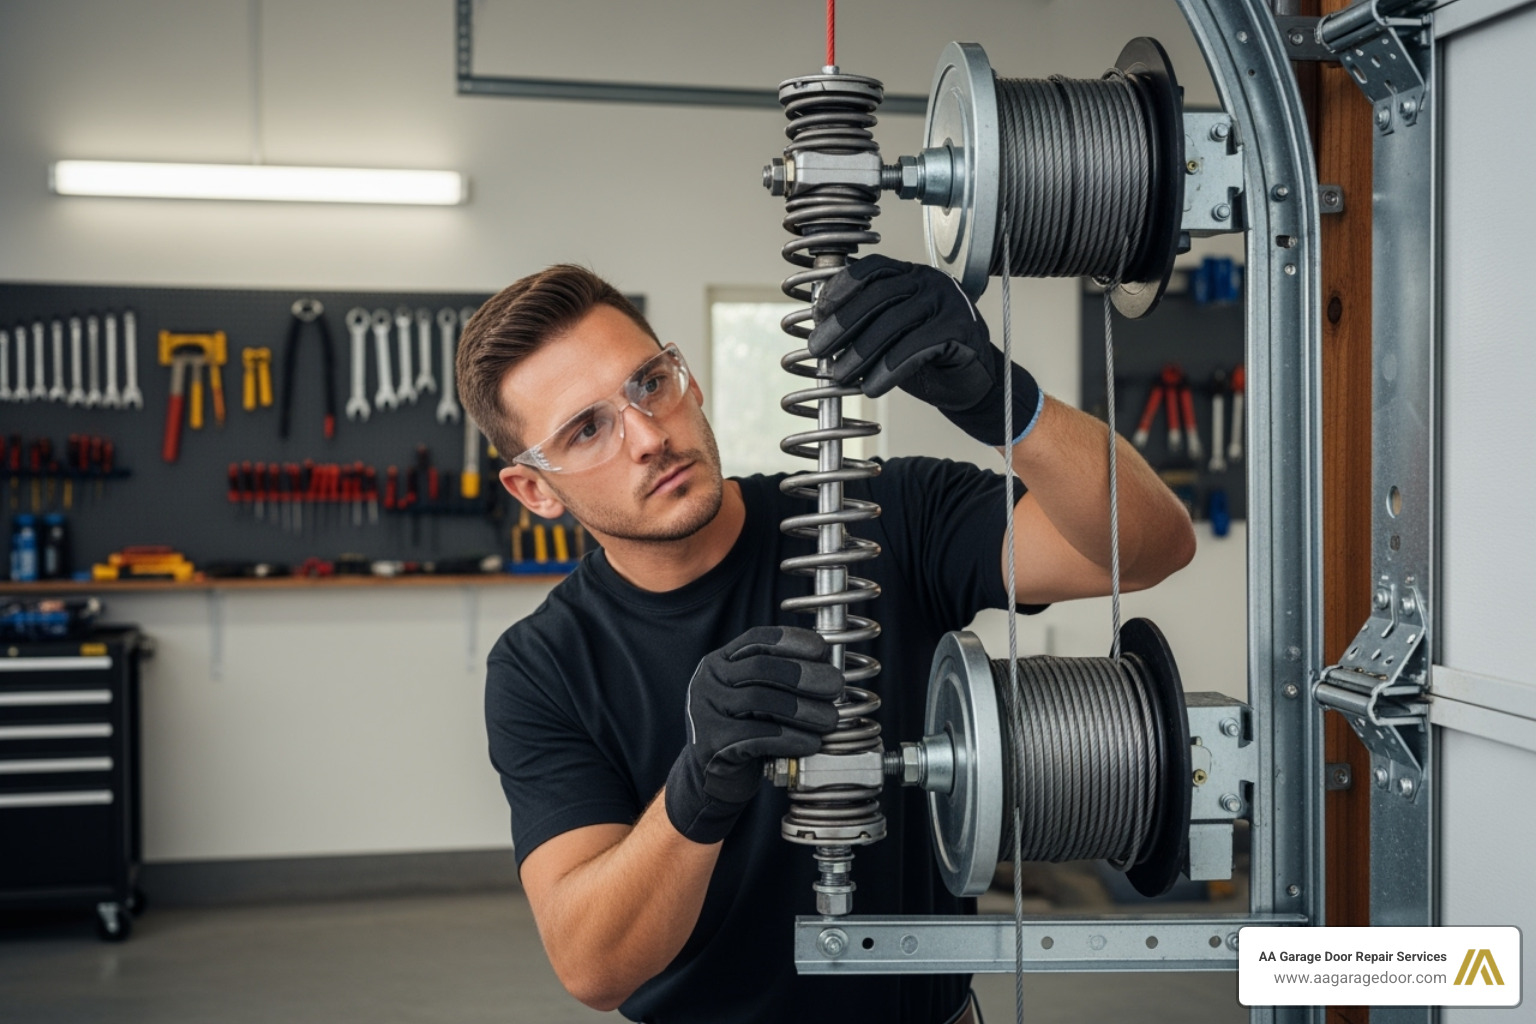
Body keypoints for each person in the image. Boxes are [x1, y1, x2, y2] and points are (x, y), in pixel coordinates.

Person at [458, 256, 1195, 1024]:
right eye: (587, 430)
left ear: (689, 379)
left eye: (649, 383)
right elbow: (593, 966)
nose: (646, 435)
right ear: (534, 489)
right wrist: (697, 791)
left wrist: (1004, 401)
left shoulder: (885, 515)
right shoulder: (541, 665)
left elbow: (1150, 547)